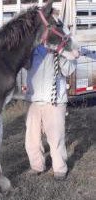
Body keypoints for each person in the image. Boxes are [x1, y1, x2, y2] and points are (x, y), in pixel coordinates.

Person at [25, 44, 77, 180]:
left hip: (55, 102)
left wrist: (61, 52)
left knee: (56, 139)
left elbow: (68, 70)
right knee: (31, 139)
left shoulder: (62, 49)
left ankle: (60, 169)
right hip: (34, 101)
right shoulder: (32, 50)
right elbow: (22, 64)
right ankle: (37, 166)